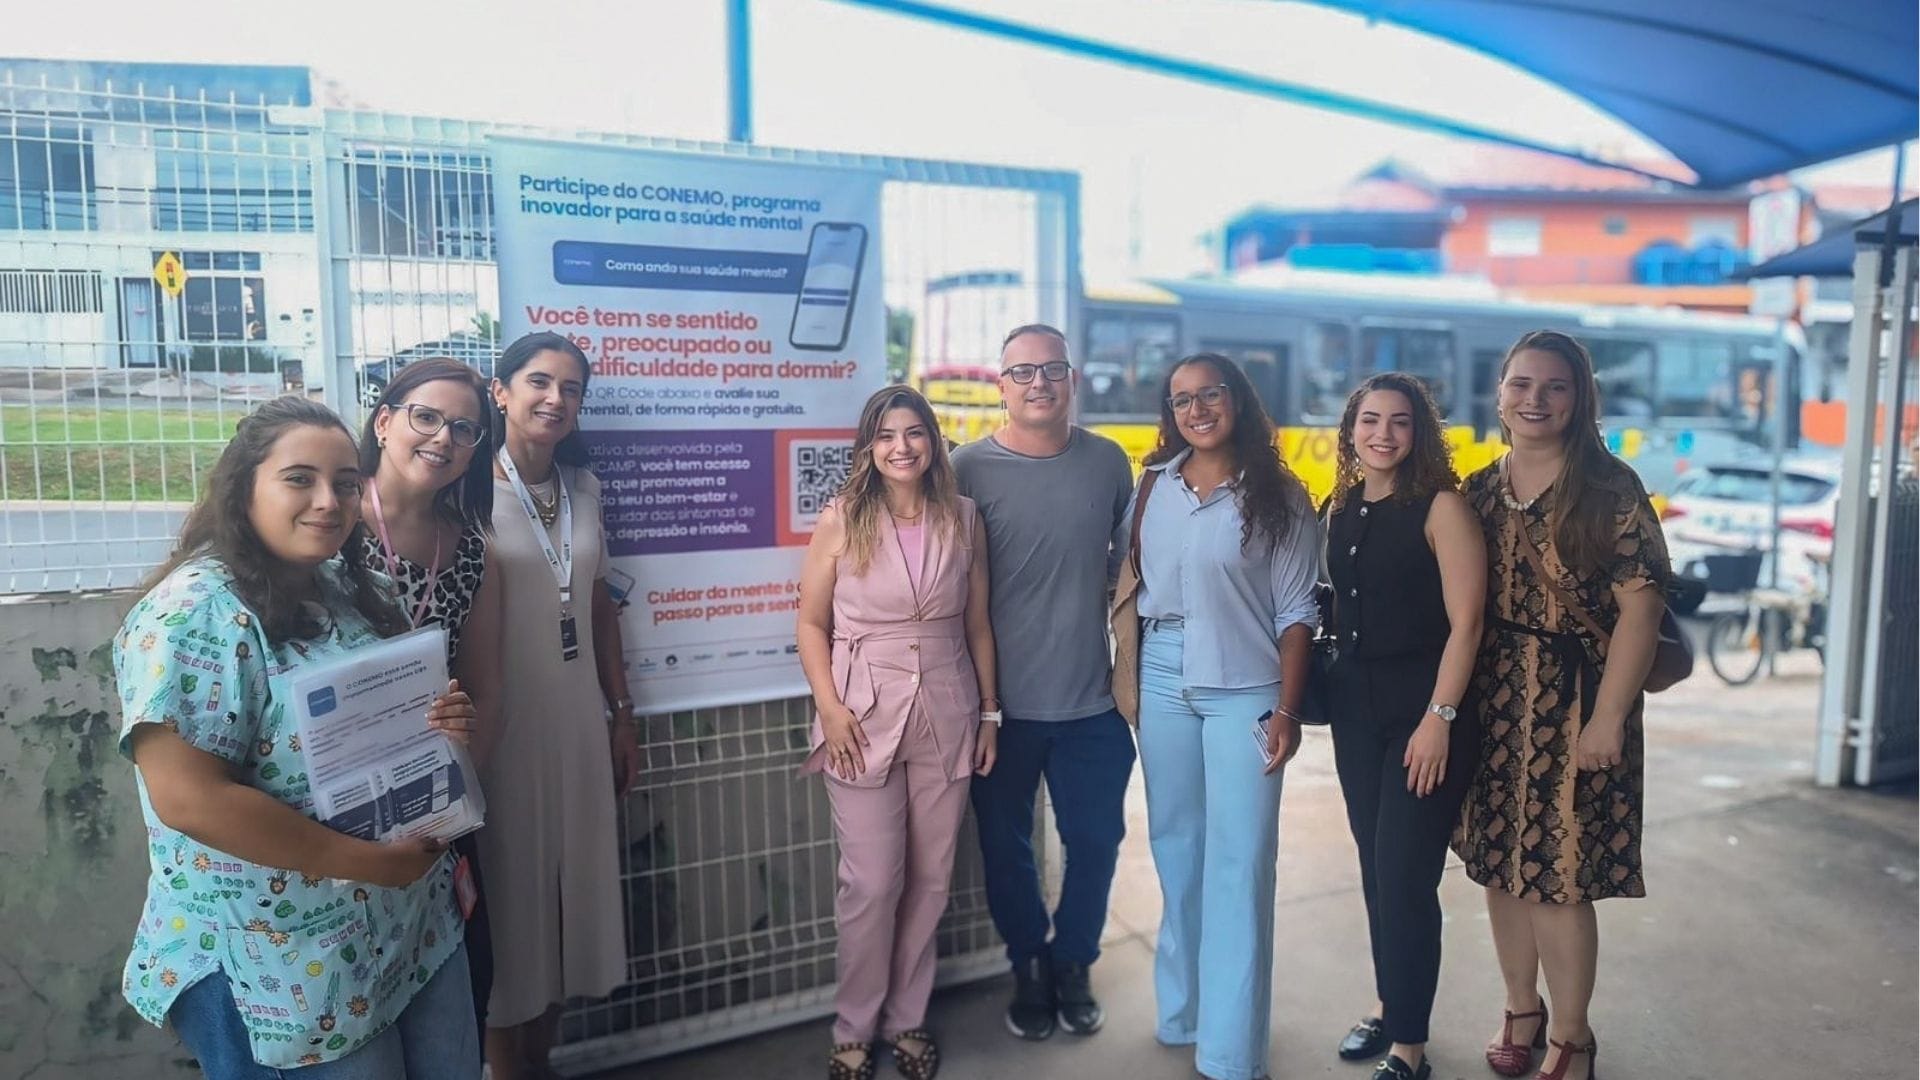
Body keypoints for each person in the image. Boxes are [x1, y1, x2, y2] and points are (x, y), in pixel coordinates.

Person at [113, 395, 481, 1078]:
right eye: (299, 479)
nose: (327, 502)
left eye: (345, 483)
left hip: (409, 931)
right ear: (243, 488)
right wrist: (369, 863)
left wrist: (445, 722)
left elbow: (404, 715)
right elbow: (190, 800)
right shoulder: (193, 615)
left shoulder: (357, 584)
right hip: (283, 968)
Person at [1453, 330, 1670, 1080]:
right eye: (1521, 384)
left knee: (1559, 874)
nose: (1535, 399)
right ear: (1500, 394)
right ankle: (1522, 1007)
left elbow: (1642, 610)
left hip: (1578, 700)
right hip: (1493, 698)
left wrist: (1608, 718)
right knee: (1499, 863)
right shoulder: (1479, 489)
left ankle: (1572, 1037)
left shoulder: (1611, 489)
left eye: (1555, 386)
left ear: (1580, 398)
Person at [1122, 353, 1319, 1080]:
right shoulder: (1153, 486)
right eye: (1181, 400)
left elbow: (1298, 611)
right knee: (1177, 850)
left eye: (1210, 395)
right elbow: (1128, 582)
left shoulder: (1281, 494)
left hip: (1247, 683)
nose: (1197, 410)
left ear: (1238, 400)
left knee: (1240, 863)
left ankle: (1232, 1053)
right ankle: (1184, 1013)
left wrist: (1287, 709)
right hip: (1162, 673)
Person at [796, 385, 1000, 1080]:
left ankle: (906, 1019)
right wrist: (829, 708)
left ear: (933, 442)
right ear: (868, 447)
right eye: (886, 435)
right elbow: (811, 624)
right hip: (860, 718)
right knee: (872, 884)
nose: (901, 447)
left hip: (949, 712)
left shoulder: (963, 517)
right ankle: (854, 1027)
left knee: (932, 880)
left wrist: (991, 713)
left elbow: (977, 624)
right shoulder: (842, 518)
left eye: (914, 433)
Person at [952, 324, 1135, 1041]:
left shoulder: (1107, 462)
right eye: (1022, 372)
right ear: (1001, 386)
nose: (1039, 384)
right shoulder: (967, 469)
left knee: (1096, 842)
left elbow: (1129, 569)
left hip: (1091, 703)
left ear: (1072, 380)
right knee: (1007, 850)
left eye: (1052, 370)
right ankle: (1028, 963)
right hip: (998, 710)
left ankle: (1073, 962)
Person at [481, 331, 640, 1079]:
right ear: (501, 391)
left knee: (571, 903)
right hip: (502, 725)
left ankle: (539, 1064)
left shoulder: (584, 488)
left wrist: (622, 713)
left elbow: (601, 608)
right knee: (509, 904)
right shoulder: (467, 491)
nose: (555, 398)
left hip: (578, 719)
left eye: (571, 388)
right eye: (539, 382)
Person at [1322, 373, 1487, 1080]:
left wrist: (1439, 718)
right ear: (1351, 430)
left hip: (1426, 713)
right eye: (1370, 420)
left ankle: (1410, 1048)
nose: (1382, 434)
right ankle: (1391, 1005)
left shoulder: (1442, 507)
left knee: (1406, 877)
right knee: (1374, 868)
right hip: (1355, 713)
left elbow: (1467, 624)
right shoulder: (1340, 506)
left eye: (1398, 421)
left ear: (1419, 432)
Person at [352, 356, 504, 1050]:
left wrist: (451, 804)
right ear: (385, 422)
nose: (444, 437)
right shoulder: (330, 524)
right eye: (426, 417)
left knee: (461, 984)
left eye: (463, 429)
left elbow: (486, 690)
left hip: (432, 798)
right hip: (333, 796)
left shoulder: (473, 550)